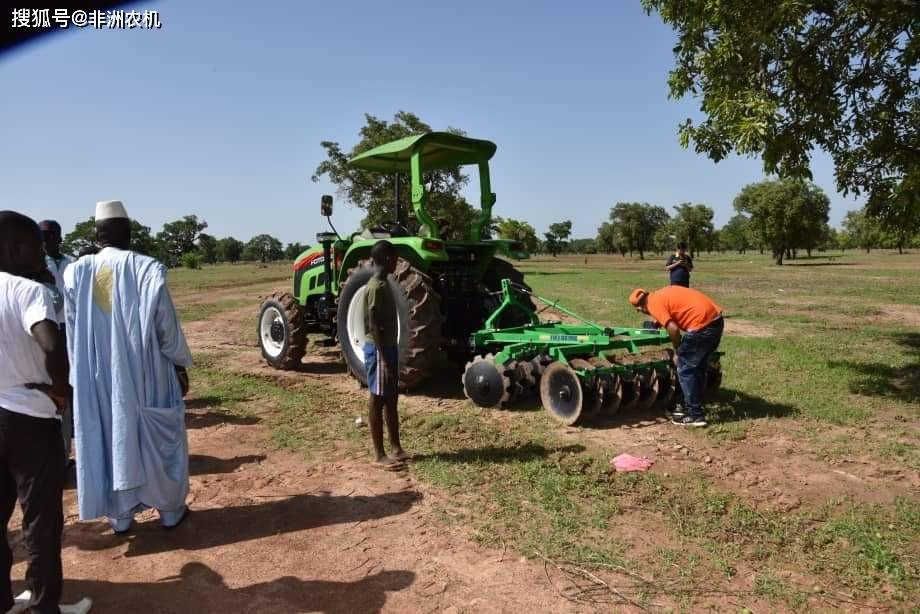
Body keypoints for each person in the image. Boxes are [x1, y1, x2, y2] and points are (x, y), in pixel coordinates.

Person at [63, 201, 192, 534]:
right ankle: (169, 510)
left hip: (99, 375)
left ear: (97, 233)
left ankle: (120, 516)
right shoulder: (147, 268)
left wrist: (80, 374)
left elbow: (74, 331)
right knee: (156, 436)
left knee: (111, 435)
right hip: (147, 367)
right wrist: (179, 362)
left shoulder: (77, 271)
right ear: (128, 231)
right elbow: (165, 325)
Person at [0, 211, 74, 613]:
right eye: (33, 246)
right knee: (40, 520)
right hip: (29, 418)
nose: (42, 257)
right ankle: (46, 605)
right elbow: (50, 343)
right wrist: (60, 391)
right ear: (13, 247)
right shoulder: (28, 292)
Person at [629, 285, 723, 427]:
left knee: (685, 368)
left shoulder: (653, 305)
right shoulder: (660, 294)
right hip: (716, 321)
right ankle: (691, 404)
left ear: (640, 308)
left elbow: (673, 329)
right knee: (699, 367)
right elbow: (675, 308)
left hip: (701, 327)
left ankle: (695, 416)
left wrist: (678, 349)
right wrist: (659, 320)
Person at [363, 241, 409, 470]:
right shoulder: (375, 287)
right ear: (387, 259)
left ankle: (396, 448)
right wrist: (383, 358)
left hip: (388, 347)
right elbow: (373, 326)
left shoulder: (385, 283)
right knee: (377, 398)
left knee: (391, 398)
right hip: (378, 349)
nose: (397, 263)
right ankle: (379, 454)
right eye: (395, 258)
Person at [39, 220, 75, 467]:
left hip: (70, 328)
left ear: (59, 238)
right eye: (42, 236)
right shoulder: (36, 265)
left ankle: (69, 432)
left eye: (50, 235)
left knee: (70, 379)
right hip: (46, 328)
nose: (46, 240)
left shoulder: (71, 263)